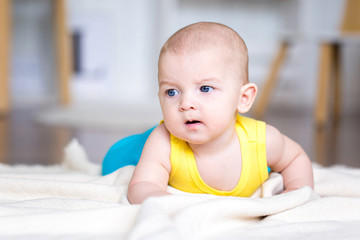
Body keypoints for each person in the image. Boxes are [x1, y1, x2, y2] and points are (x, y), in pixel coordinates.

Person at [102, 22, 314, 204]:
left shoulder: (263, 141)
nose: (185, 104)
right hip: (132, 151)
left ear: (243, 98)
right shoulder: (163, 140)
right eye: (172, 92)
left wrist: (296, 190)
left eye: (205, 89)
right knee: (114, 161)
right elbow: (142, 186)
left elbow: (295, 158)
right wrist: (165, 201)